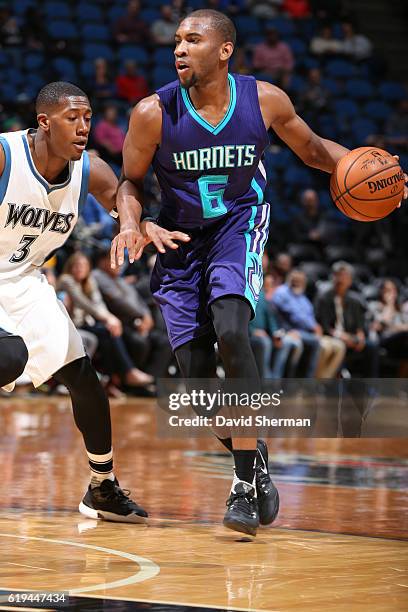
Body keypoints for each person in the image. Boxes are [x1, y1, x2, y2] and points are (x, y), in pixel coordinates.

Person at [110, 9, 406, 535]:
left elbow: (317, 152)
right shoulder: (152, 113)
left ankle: (243, 483)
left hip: (237, 225)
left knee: (232, 327)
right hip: (178, 240)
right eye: (177, 40)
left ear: (225, 50)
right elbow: (129, 183)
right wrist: (131, 223)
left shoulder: (264, 99)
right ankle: (256, 450)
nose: (179, 48)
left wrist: (378, 173)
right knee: (197, 396)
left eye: (193, 40)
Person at [0, 81, 151, 523]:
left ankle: (102, 487)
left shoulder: (90, 170)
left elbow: (124, 194)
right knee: (9, 356)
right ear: (44, 122)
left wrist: (132, 224)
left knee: (84, 375)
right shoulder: (7, 156)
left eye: (87, 118)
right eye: (73, 118)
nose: (84, 127)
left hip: (23, 280)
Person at [58, 251, 154, 389]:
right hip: (67, 326)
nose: (80, 269)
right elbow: (85, 303)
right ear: (70, 267)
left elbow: (98, 303)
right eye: (77, 265)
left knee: (109, 333)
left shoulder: (89, 281)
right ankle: (125, 373)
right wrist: (109, 319)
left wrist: (110, 319)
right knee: (106, 332)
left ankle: (113, 380)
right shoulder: (66, 280)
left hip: (82, 325)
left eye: (83, 266)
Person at [93, 249, 173, 379]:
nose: (120, 263)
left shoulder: (120, 280)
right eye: (116, 259)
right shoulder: (98, 276)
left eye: (121, 260)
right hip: (118, 323)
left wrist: (146, 316)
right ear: (103, 262)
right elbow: (118, 301)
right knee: (139, 342)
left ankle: (151, 382)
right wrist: (142, 315)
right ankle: (128, 380)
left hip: (136, 323)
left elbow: (140, 301)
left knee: (165, 342)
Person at [315, 262, 380, 378]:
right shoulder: (323, 298)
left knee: (372, 347)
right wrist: (343, 336)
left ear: (350, 280)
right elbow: (324, 326)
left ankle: (370, 386)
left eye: (344, 276)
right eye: (338, 275)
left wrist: (360, 336)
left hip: (350, 337)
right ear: (332, 278)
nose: (341, 280)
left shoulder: (354, 300)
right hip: (332, 337)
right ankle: (339, 388)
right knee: (341, 345)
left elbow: (360, 324)